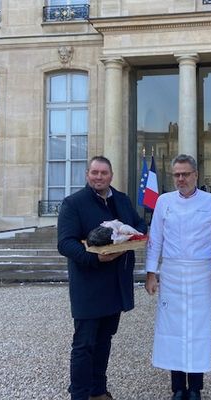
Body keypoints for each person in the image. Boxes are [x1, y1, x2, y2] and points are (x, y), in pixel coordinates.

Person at [57, 155, 147, 400]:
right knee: (84, 344)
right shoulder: (73, 203)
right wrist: (94, 258)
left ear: (111, 176)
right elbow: (65, 244)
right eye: (94, 172)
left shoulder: (122, 200)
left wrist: (135, 236)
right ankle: (80, 394)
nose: (99, 177)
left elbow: (139, 225)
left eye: (103, 173)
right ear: (87, 174)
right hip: (88, 285)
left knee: (105, 339)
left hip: (115, 284)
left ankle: (98, 391)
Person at [145, 154, 211, 400]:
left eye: (185, 174)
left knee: (198, 330)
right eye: (177, 175)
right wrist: (151, 274)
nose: (181, 179)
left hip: (201, 273)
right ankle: (178, 387)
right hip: (171, 273)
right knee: (173, 330)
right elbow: (155, 239)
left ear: (196, 175)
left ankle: (195, 388)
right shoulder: (163, 201)